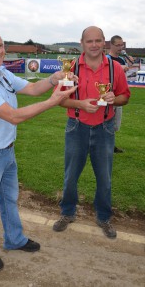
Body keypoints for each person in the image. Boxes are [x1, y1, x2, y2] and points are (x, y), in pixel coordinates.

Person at [0, 30, 77, 271]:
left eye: (1, 45)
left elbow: (33, 89)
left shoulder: (1, 72)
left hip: (6, 152)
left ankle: (14, 239)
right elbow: (13, 116)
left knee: (9, 200)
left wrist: (55, 78)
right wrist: (52, 102)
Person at [52, 26, 130, 239]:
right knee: (70, 176)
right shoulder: (70, 68)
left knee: (104, 178)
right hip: (77, 126)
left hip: (105, 128)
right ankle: (67, 213)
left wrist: (115, 98)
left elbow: (125, 96)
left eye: (98, 40)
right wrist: (80, 104)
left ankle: (103, 217)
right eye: (89, 41)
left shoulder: (115, 68)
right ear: (82, 43)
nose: (94, 45)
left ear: (104, 42)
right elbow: (59, 100)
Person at [107, 35, 134, 153]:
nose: (120, 47)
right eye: (117, 45)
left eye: (121, 45)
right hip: (107, 94)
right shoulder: (106, 58)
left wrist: (129, 66)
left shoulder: (122, 59)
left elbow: (123, 76)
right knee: (106, 121)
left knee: (115, 124)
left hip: (119, 95)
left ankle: (110, 145)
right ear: (111, 45)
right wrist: (118, 67)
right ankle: (103, 146)